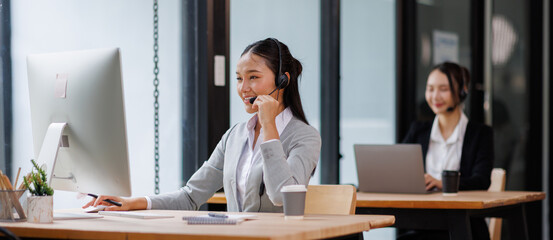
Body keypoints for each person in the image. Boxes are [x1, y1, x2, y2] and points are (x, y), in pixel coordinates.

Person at [83, 38, 321, 213]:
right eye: (239, 78)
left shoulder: (304, 137)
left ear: (282, 81)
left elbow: (282, 196)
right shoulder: (235, 137)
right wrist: (133, 202)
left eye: (253, 77)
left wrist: (269, 125)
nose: (243, 88)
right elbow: (190, 196)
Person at [400, 62, 493, 240]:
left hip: (465, 228)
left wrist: (441, 183)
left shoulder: (480, 134)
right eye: (430, 89)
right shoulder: (418, 131)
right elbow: (398, 169)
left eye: (443, 89)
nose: (435, 96)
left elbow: (481, 180)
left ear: (462, 91)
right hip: (424, 225)